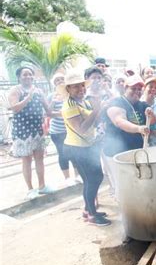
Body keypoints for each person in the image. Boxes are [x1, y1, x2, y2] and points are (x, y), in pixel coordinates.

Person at [61, 69, 110, 226]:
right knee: (93, 178)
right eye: (75, 87)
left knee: (93, 179)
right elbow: (81, 128)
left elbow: (94, 121)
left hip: (89, 145)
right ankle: (92, 214)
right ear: (68, 89)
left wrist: (100, 112)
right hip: (77, 148)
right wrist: (97, 110)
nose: (80, 89)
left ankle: (88, 210)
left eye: (82, 86)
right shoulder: (69, 106)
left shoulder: (84, 101)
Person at [8, 67, 53, 199]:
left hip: (37, 129)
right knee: (26, 160)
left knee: (40, 158)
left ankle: (42, 186)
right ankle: (30, 189)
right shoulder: (15, 90)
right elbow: (14, 108)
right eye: (24, 74)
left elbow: (48, 110)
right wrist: (28, 97)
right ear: (19, 77)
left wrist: (54, 102)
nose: (28, 77)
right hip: (22, 131)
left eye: (30, 74)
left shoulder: (39, 90)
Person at [48, 72, 79, 185]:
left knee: (74, 152)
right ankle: (67, 178)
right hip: (57, 131)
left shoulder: (70, 94)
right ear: (54, 84)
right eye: (57, 80)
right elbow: (49, 113)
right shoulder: (52, 96)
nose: (60, 81)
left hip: (71, 129)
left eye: (62, 79)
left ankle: (77, 175)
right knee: (63, 153)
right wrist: (54, 102)